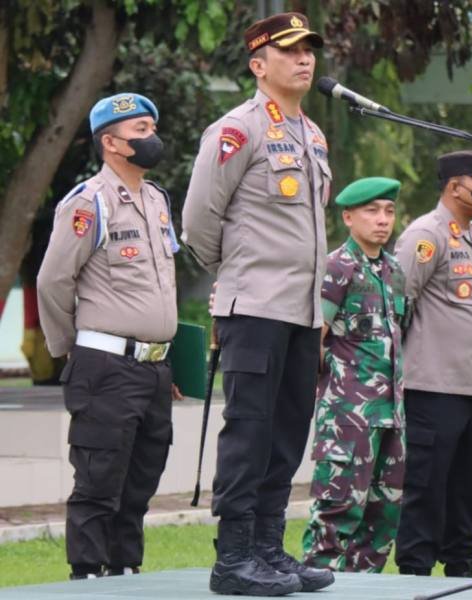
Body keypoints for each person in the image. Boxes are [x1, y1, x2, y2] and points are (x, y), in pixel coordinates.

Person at [181, 12, 334, 597]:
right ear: (258, 64)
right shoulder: (236, 130)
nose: (304, 59)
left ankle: (268, 550)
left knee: (288, 434)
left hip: (303, 313)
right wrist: (238, 276)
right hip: (254, 310)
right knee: (249, 432)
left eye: (308, 49)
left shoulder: (312, 134)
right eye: (290, 50)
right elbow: (199, 221)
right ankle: (234, 558)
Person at [36, 93, 180, 579]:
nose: (152, 138)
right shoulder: (89, 202)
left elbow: (162, 285)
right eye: (140, 130)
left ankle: (124, 573)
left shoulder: (156, 200)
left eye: (152, 128)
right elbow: (53, 281)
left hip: (153, 369)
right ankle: (85, 577)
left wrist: (168, 358)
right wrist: (69, 351)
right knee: (99, 482)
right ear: (111, 143)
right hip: (106, 366)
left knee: (140, 482)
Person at [393, 150, 472, 578]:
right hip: (434, 388)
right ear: (455, 187)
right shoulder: (426, 234)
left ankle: (462, 571)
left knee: (469, 490)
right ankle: (415, 574)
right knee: (426, 487)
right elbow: (398, 303)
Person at [301, 177, 407, 573]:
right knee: (336, 514)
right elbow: (313, 340)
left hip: (391, 416)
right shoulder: (336, 267)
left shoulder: (394, 270)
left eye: (389, 211)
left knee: (383, 519)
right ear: (348, 217)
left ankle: (365, 589)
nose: (382, 220)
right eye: (372, 211)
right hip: (348, 418)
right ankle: (319, 585)